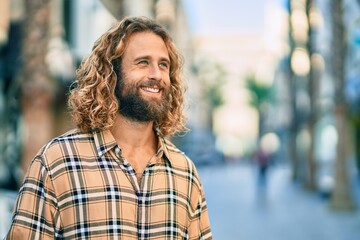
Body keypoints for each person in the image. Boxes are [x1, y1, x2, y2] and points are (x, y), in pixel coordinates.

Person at [6, 16, 212, 239]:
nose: (156, 74)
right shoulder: (57, 163)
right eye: (143, 62)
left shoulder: (184, 172)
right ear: (111, 75)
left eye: (163, 65)